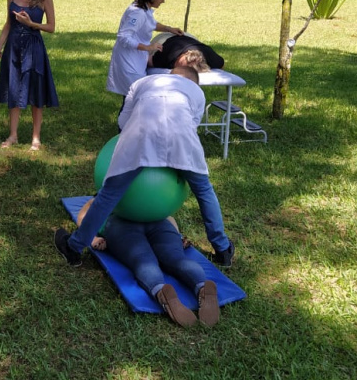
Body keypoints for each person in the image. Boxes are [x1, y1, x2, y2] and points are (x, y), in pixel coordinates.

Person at [55, 66, 235, 268]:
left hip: (140, 137)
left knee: (109, 194)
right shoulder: (197, 92)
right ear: (193, 81)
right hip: (182, 141)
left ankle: (74, 248)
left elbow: (123, 122)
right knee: (204, 191)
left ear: (170, 75)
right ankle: (222, 249)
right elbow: (191, 124)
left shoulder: (143, 82)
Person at [76, 198, 219, 328]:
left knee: (144, 260)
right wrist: (177, 235)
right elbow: (168, 215)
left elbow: (84, 214)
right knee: (176, 258)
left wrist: (93, 238)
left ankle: (161, 290)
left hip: (120, 225)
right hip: (160, 222)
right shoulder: (153, 188)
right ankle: (202, 286)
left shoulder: (114, 184)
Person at [0, 0, 59, 151]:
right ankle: (13, 135)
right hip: (14, 45)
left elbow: (51, 27)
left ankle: (35, 138)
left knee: (36, 89)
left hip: (33, 46)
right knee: (14, 87)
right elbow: (8, 23)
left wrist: (31, 24)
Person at [106, 0, 183, 100]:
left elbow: (151, 24)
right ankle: (127, 119)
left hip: (136, 59)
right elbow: (124, 37)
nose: (163, 1)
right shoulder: (137, 12)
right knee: (134, 98)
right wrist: (148, 47)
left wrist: (169, 29)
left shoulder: (144, 9)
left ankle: (129, 119)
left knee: (134, 98)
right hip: (129, 61)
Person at [150, 33, 225, 71]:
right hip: (164, 38)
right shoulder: (165, 53)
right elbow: (147, 61)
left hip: (189, 37)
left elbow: (221, 65)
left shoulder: (210, 56)